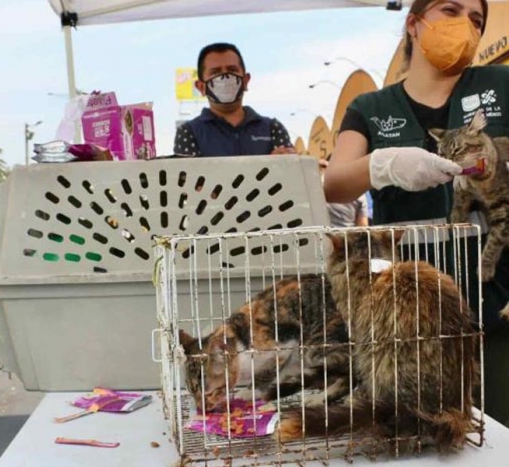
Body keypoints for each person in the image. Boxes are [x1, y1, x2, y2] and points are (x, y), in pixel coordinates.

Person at [323, 0, 509, 427]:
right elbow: (334, 182)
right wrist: (380, 166)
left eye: (477, 20)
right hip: (408, 309)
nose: (465, 25)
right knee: (420, 424)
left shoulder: (500, 84)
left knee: (498, 428)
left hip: (496, 290)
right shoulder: (369, 108)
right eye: (450, 10)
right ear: (414, 23)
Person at [173, 42, 294, 157]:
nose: (225, 77)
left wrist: (286, 160)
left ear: (246, 81)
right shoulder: (189, 133)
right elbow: (187, 176)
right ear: (201, 87)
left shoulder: (272, 129)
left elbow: (288, 173)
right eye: (215, 72)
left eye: (232, 70)